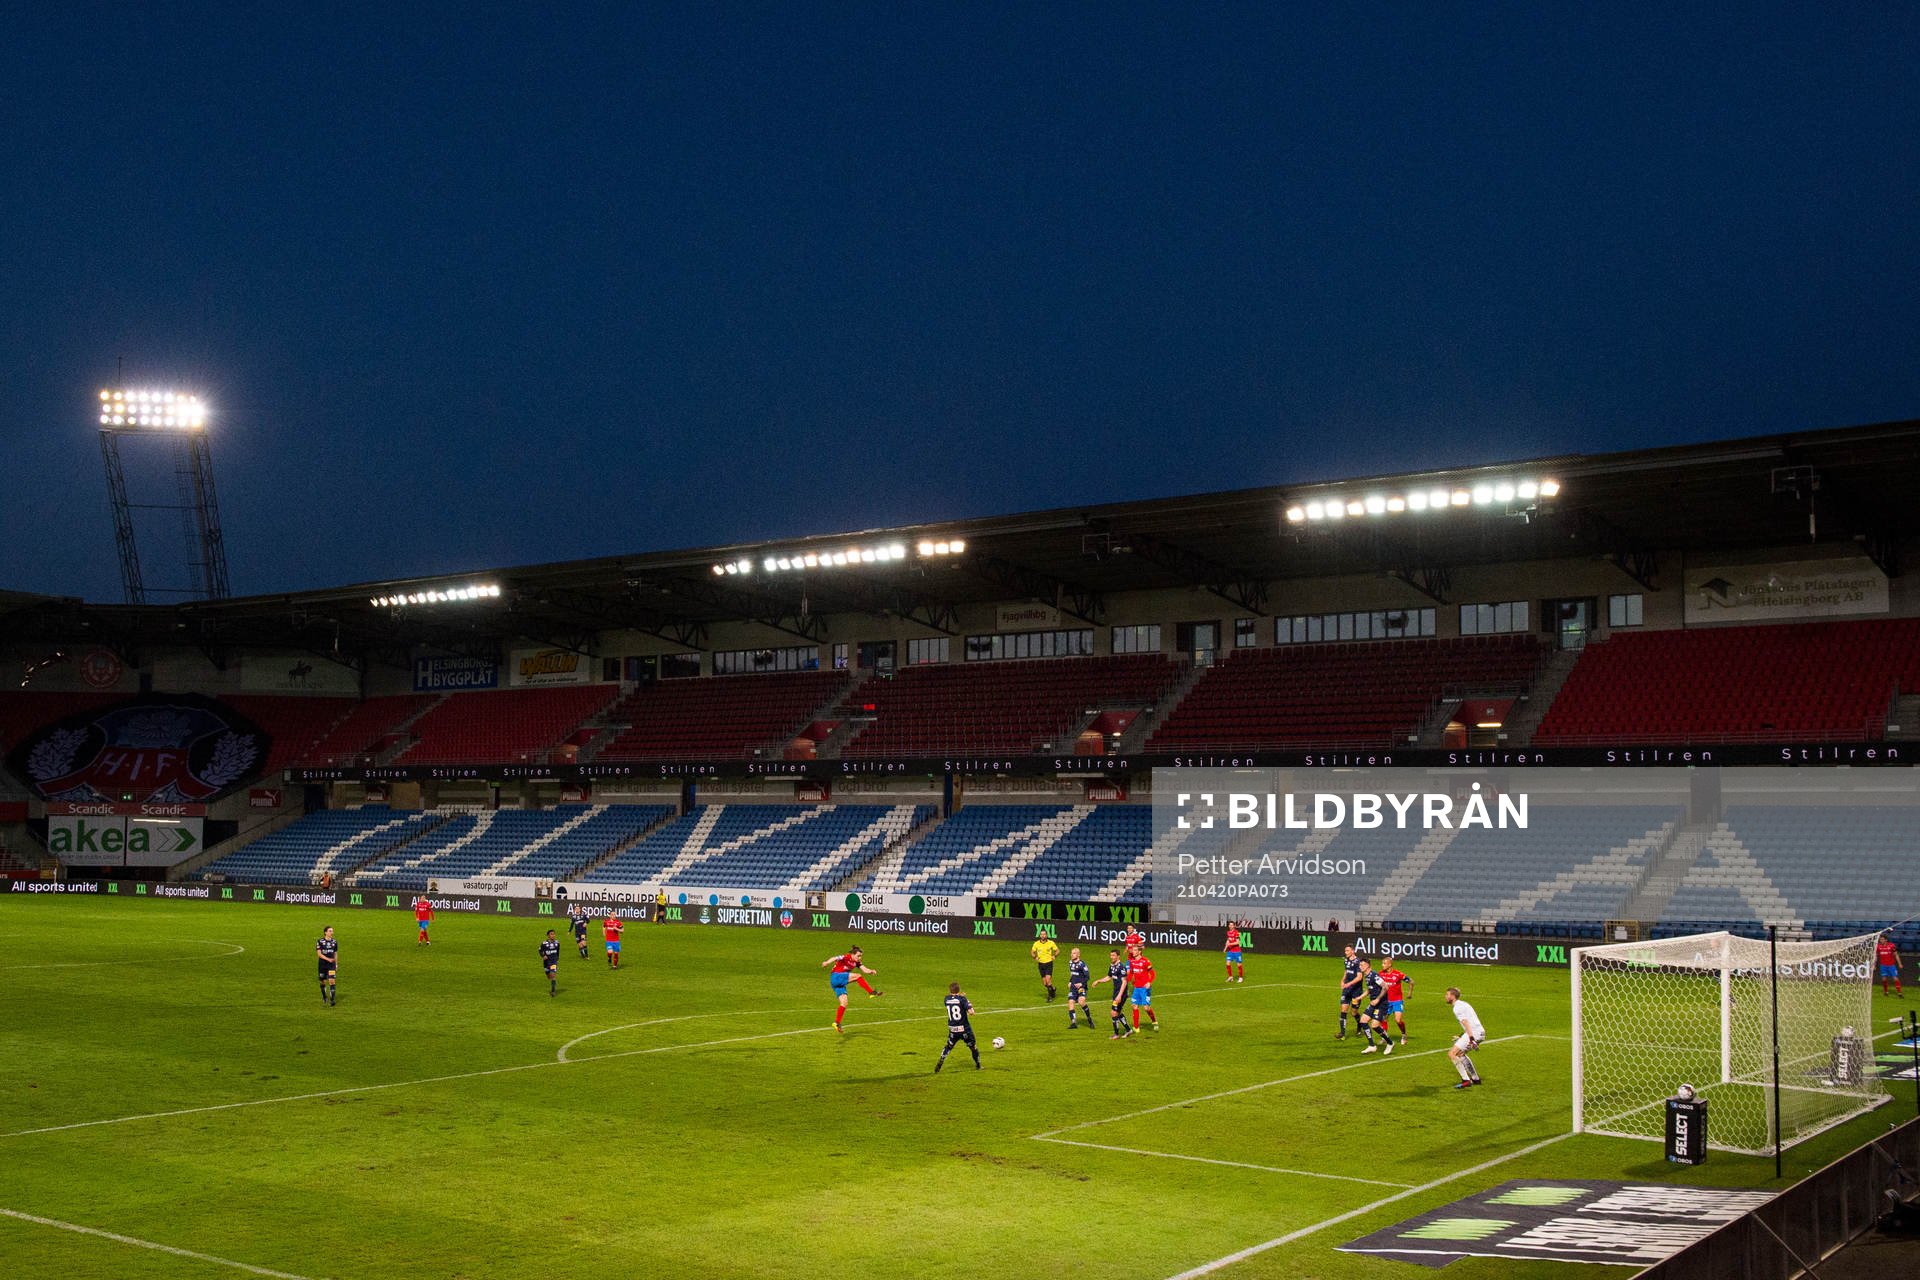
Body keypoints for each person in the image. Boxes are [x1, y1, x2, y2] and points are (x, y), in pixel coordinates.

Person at [823, 946, 881, 1032]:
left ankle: (837, 1023)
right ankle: (871, 992)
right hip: (836, 977)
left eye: (861, 956)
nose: (860, 958)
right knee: (858, 976)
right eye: (858, 955)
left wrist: (871, 971)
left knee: (844, 1003)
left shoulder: (857, 962)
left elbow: (864, 970)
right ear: (853, 954)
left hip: (839, 984)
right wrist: (827, 962)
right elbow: (835, 958)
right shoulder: (846, 956)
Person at [935, 982, 982, 1072]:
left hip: (952, 1029)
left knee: (948, 1046)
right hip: (964, 1029)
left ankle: (942, 1058)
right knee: (973, 1047)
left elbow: (954, 998)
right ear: (959, 989)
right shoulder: (963, 999)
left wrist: (960, 996)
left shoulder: (946, 999)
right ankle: (978, 1065)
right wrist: (966, 999)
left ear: (950, 990)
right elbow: (972, 1012)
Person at [1444, 987, 1485, 1089]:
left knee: (1452, 1053)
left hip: (1473, 1034)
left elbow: (1465, 1022)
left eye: (1447, 995)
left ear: (1452, 996)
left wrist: (1471, 1038)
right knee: (1460, 1054)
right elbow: (1472, 1020)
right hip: (1480, 1032)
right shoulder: (1464, 1004)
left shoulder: (1456, 1008)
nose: (1445, 997)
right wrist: (1462, 1035)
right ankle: (1475, 1079)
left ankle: (1466, 1080)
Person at [1092, 948, 1132, 1038]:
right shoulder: (1112, 966)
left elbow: (1125, 982)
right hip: (1116, 992)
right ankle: (1128, 1030)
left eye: (1113, 955)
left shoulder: (1121, 967)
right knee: (1118, 1012)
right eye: (1111, 955)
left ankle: (1116, 1034)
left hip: (1122, 993)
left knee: (1113, 1012)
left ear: (1118, 956)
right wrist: (1098, 981)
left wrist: (1119, 995)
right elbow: (1109, 977)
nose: (1111, 957)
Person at [1356, 961, 1393, 1055]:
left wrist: (1378, 999)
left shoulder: (1374, 975)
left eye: (1362, 965)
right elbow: (1370, 989)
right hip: (1373, 1003)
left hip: (1381, 1004)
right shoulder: (1367, 976)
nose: (1360, 966)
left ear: (1368, 966)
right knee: (1363, 1020)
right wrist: (1360, 997)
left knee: (1375, 1025)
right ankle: (1372, 1046)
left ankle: (1390, 1043)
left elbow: (1385, 987)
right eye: (1360, 965)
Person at [1377, 960, 1412, 1045]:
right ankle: (1384, 1038)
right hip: (1386, 1001)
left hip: (1397, 1001)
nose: (1382, 965)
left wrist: (1410, 992)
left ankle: (1404, 1034)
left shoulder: (1398, 974)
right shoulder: (1380, 974)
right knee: (1384, 1019)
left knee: (1398, 1020)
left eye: (1384, 963)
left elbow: (1411, 981)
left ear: (1390, 964)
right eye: (1382, 963)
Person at [1127, 947, 1159, 1033]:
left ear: (1139, 951)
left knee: (1146, 1008)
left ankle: (1154, 1021)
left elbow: (1152, 973)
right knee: (1134, 1006)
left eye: (1134, 950)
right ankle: (1136, 1027)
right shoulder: (1132, 961)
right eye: (1132, 950)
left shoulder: (1145, 961)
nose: (1132, 952)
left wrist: (1149, 982)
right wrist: (1126, 981)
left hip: (1145, 988)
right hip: (1136, 988)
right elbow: (1131, 973)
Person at [1065, 947, 1095, 1029]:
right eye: (1071, 953)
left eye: (1074, 953)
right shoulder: (1070, 962)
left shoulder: (1082, 964)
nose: (1072, 954)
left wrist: (1081, 984)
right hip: (1073, 987)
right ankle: (1073, 1023)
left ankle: (1089, 1018)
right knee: (1071, 1002)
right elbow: (1072, 974)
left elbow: (1087, 977)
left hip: (1081, 987)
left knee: (1081, 1002)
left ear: (1078, 954)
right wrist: (1070, 981)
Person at [1337, 946, 1363, 1039]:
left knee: (1354, 1012)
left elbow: (1359, 977)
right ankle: (1342, 1033)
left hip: (1356, 991)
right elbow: (1346, 971)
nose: (1345, 952)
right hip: (1347, 990)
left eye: (1347, 950)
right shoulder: (1346, 960)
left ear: (1353, 951)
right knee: (1343, 1010)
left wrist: (1349, 984)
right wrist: (1342, 980)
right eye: (1345, 950)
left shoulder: (1358, 962)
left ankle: (1360, 1026)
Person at [1031, 933, 1060, 1001]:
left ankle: (1049, 997)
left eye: (1044, 934)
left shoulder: (1051, 943)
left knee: (1048, 980)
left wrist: (1054, 956)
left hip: (1049, 963)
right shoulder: (1036, 944)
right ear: (1040, 935)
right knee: (1045, 983)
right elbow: (1032, 952)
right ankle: (1052, 990)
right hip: (1041, 964)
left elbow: (1057, 951)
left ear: (1046, 935)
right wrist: (1035, 957)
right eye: (1041, 934)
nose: (1043, 936)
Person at [315, 926, 338, 1006]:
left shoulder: (334, 942)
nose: (332, 932)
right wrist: (328, 959)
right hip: (322, 965)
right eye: (330, 931)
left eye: (332, 931)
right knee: (322, 982)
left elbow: (335, 953)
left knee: (332, 981)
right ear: (325, 932)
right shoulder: (320, 941)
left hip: (331, 965)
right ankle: (324, 996)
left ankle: (332, 1000)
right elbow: (319, 954)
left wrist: (336, 964)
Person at [540, 929, 561, 996]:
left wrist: (557, 959)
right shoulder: (544, 944)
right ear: (548, 936)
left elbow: (558, 951)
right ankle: (552, 982)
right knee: (548, 976)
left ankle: (553, 991)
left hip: (553, 962)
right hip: (546, 962)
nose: (553, 935)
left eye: (554, 934)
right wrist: (543, 955)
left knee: (553, 975)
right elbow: (540, 951)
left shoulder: (557, 943)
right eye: (551, 934)